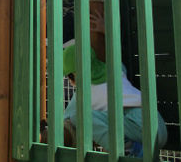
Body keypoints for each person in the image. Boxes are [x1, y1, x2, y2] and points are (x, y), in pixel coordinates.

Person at [62, 10, 168, 157]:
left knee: (79, 117)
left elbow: (68, 118)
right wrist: (104, 29)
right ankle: (136, 148)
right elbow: (114, 49)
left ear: (74, 75)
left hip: (139, 128)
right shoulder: (115, 69)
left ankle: (122, 149)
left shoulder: (84, 92)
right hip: (157, 124)